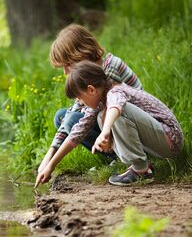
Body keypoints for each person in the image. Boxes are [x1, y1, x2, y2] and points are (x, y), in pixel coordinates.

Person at [36, 60, 183, 187]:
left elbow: (116, 107)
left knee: (116, 113)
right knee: (101, 116)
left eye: (80, 98)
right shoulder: (98, 103)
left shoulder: (115, 91)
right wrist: (51, 166)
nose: (80, 103)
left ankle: (141, 170)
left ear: (91, 90)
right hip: (156, 142)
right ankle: (139, 166)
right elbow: (77, 133)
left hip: (169, 139)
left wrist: (105, 132)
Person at [35, 24, 143, 187]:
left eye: (67, 65)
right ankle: (116, 157)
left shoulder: (109, 68)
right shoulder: (85, 75)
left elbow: (91, 116)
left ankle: (126, 156)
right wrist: (48, 157)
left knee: (73, 121)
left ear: (80, 54)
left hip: (131, 125)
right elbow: (74, 113)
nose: (65, 72)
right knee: (62, 116)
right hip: (109, 122)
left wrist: (52, 165)